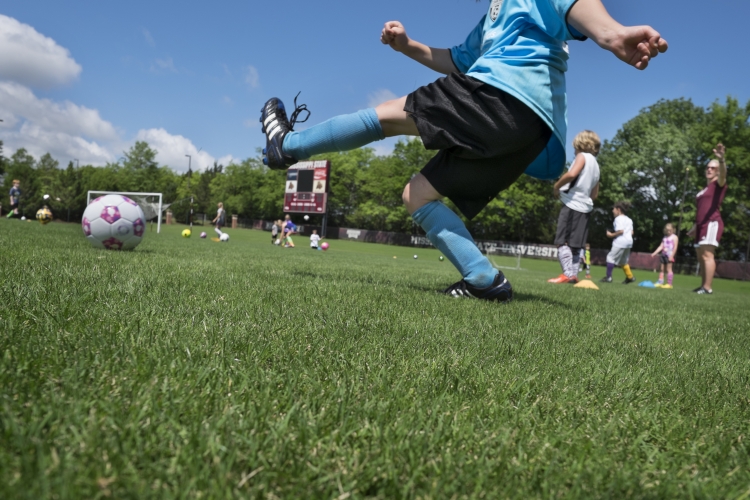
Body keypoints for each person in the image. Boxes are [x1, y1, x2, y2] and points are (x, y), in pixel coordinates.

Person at [259, 0, 667, 302]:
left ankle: (286, 146)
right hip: (523, 134)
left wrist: (611, 34)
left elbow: (574, 4)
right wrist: (406, 45)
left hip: (502, 95)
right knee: (416, 195)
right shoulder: (491, 18)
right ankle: (484, 280)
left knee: (383, 117)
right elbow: (457, 60)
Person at [548, 130, 601, 284]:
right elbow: (595, 194)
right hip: (585, 208)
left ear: (580, 144)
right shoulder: (596, 165)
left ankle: (567, 274)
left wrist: (557, 187)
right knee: (577, 245)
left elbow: (572, 174)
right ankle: (574, 275)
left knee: (562, 241)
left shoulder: (582, 157)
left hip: (572, 205)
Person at [687, 143, 727, 295]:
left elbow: (723, 175)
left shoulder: (719, 185)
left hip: (712, 223)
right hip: (701, 225)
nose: (709, 169)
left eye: (713, 168)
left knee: (707, 255)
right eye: (708, 167)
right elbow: (701, 210)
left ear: (718, 171)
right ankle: (703, 285)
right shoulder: (704, 190)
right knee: (700, 256)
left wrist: (721, 160)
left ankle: (707, 288)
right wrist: (694, 227)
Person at [601, 202, 636, 284]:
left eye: (614, 209)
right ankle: (630, 277)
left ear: (618, 210)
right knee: (623, 261)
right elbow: (632, 232)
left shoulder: (618, 219)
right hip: (629, 241)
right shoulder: (629, 219)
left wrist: (610, 235)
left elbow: (620, 231)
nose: (612, 211)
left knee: (610, 258)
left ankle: (608, 278)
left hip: (621, 241)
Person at [651, 223, 678, 289]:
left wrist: (672, 256)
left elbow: (675, 247)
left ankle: (669, 284)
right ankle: (660, 282)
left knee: (669, 269)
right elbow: (661, 246)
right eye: (667, 230)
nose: (669, 232)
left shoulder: (674, 237)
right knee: (662, 269)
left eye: (670, 230)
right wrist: (654, 253)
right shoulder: (664, 237)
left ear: (673, 230)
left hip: (669, 255)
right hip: (663, 255)